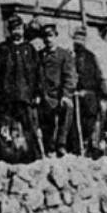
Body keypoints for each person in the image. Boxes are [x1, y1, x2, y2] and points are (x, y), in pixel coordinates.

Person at [0, 15, 40, 160]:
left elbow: (38, 73)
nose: (16, 32)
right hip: (6, 97)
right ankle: (4, 155)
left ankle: (32, 156)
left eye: (19, 28)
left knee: (29, 127)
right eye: (13, 29)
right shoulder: (2, 49)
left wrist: (38, 93)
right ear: (9, 31)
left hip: (26, 96)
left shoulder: (30, 49)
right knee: (5, 127)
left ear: (23, 29)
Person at [34, 21, 77, 156]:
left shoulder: (64, 55)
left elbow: (70, 76)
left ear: (56, 36)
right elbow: (35, 76)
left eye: (51, 36)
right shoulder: (39, 56)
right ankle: (49, 147)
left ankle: (61, 144)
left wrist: (66, 95)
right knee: (45, 120)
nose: (48, 39)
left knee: (67, 109)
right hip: (45, 94)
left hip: (60, 94)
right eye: (45, 37)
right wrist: (37, 93)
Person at [71, 28, 107, 156]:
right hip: (75, 96)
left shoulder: (91, 57)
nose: (78, 42)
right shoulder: (71, 56)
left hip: (91, 95)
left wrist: (103, 95)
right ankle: (78, 147)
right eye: (76, 39)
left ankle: (91, 145)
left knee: (91, 122)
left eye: (81, 39)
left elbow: (99, 76)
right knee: (76, 123)